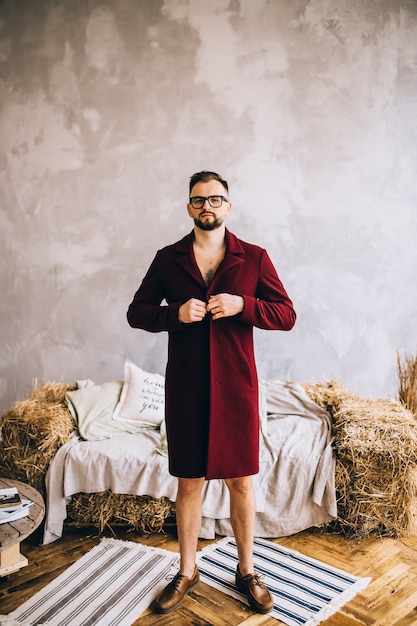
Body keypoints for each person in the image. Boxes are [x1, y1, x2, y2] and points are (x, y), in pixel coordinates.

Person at [127, 171, 296, 614]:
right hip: (186, 388)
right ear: (188, 208)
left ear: (229, 206)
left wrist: (246, 306)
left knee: (241, 482)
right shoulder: (168, 259)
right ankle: (187, 570)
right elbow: (137, 312)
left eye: (216, 199)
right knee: (189, 483)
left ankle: (246, 570)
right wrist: (174, 314)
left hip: (238, 388)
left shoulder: (254, 258)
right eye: (200, 200)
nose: (209, 207)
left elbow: (287, 314)